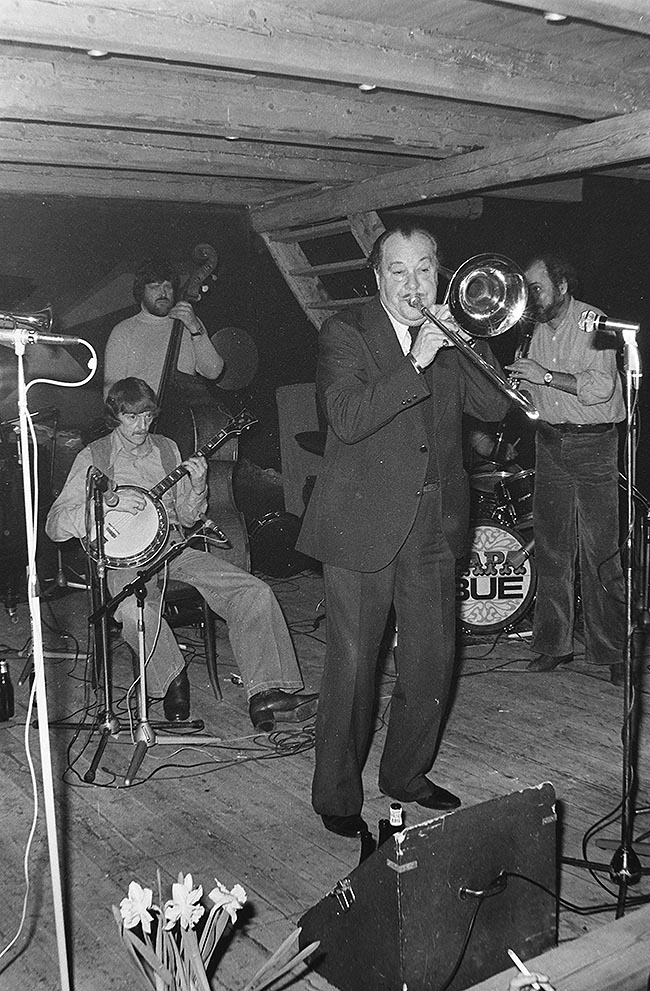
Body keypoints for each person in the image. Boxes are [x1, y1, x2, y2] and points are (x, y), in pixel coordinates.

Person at [296, 223, 510, 837]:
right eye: (398, 270)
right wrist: (416, 360)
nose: (412, 284)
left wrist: (465, 338)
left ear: (439, 274)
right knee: (354, 667)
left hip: (435, 523)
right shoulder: (346, 332)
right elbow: (346, 417)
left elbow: (495, 406)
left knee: (431, 661)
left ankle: (406, 775)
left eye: (424, 270)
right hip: (362, 521)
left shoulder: (449, 333)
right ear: (377, 276)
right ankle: (337, 795)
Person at [45, 377, 318, 730]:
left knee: (253, 591)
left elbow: (188, 518)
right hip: (125, 561)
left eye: (147, 416)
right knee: (133, 610)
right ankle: (174, 678)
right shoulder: (94, 456)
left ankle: (267, 693)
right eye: (131, 418)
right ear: (115, 416)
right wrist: (107, 503)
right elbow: (55, 526)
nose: (141, 426)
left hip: (174, 549)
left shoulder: (166, 449)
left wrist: (198, 486)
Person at [506, 252, 626, 686]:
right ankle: (553, 645)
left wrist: (543, 376)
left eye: (536, 288)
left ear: (562, 287)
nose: (529, 296)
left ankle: (613, 650)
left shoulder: (595, 321)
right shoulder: (534, 329)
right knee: (552, 549)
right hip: (550, 442)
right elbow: (536, 391)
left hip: (594, 444)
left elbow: (600, 387)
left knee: (601, 553)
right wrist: (520, 385)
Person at [103, 255, 224, 397]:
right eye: (154, 287)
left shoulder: (189, 323)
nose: (163, 293)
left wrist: (195, 328)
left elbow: (214, 371)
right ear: (141, 291)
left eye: (168, 286)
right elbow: (111, 394)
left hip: (180, 410)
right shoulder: (123, 331)